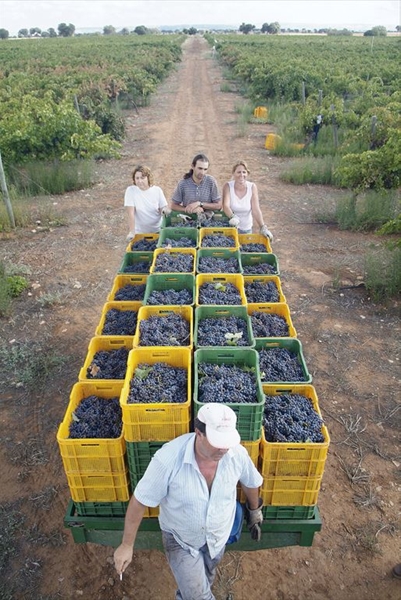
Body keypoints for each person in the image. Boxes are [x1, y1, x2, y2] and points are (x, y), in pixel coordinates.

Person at [114, 403, 263, 600]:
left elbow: (250, 482)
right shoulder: (168, 460)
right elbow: (140, 501)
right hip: (181, 541)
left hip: (217, 539)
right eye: (217, 441)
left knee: (205, 580)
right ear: (198, 433)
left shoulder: (236, 454)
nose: (223, 448)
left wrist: (254, 511)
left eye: (226, 441)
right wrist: (126, 545)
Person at [222, 160, 273, 240]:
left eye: (244, 172)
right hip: (230, 228)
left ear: (247, 173)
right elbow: (225, 206)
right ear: (234, 174)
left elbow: (256, 210)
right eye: (238, 172)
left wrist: (263, 227)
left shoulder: (252, 187)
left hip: (246, 229)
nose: (241, 175)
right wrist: (233, 216)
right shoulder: (228, 186)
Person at [124, 165, 171, 241]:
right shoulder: (131, 191)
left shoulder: (157, 190)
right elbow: (131, 213)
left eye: (142, 178)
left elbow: (163, 208)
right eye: (137, 178)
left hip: (157, 230)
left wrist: (164, 210)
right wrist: (132, 232)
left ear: (148, 178)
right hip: (140, 232)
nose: (139, 181)